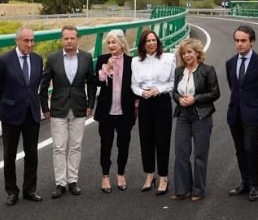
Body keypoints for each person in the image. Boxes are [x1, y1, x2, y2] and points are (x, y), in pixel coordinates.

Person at [39, 26, 96, 199]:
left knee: (76, 146)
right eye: (66, 38)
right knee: (59, 147)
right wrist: (45, 108)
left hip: (79, 107)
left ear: (77, 39)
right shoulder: (53, 58)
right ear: (61, 40)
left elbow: (91, 83)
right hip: (58, 108)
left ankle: (72, 181)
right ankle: (60, 183)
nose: (69, 41)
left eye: (72, 38)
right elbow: (44, 85)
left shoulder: (86, 57)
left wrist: (90, 103)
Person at [0, 26, 44, 205]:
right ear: (17, 41)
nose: (30, 44)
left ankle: (30, 190)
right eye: (26, 41)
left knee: (32, 154)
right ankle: (12, 191)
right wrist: (7, 103)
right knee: (10, 155)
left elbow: (35, 85)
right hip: (11, 114)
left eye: (32, 40)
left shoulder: (38, 59)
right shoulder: (5, 60)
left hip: (31, 113)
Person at [225, 25, 258, 201]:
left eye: (243, 41)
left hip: (254, 115)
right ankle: (245, 182)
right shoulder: (230, 63)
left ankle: (255, 185)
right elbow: (234, 87)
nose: (239, 44)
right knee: (240, 150)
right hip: (235, 114)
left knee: (251, 149)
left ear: (252, 42)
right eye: (237, 41)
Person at [170, 38, 220, 202]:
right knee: (181, 152)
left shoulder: (207, 70)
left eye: (189, 52)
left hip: (201, 115)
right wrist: (179, 99)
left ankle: (198, 190)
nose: (186, 55)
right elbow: (174, 92)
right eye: (184, 53)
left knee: (200, 154)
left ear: (197, 53)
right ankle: (181, 189)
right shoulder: (179, 71)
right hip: (183, 115)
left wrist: (195, 99)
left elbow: (215, 93)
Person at [131, 30, 176, 195]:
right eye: (148, 41)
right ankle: (149, 175)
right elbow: (134, 85)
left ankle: (163, 177)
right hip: (145, 102)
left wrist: (160, 89)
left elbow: (173, 81)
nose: (151, 43)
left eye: (154, 40)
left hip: (161, 101)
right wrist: (142, 93)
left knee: (162, 140)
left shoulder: (168, 58)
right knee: (146, 140)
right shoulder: (136, 61)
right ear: (143, 45)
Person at [94, 29, 137, 193]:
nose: (111, 45)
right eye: (109, 43)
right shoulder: (102, 59)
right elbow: (98, 82)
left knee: (123, 144)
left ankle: (121, 174)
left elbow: (135, 86)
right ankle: (105, 176)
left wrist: (136, 107)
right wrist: (107, 68)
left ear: (122, 43)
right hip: (106, 111)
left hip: (125, 111)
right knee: (105, 144)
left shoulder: (131, 62)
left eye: (114, 42)